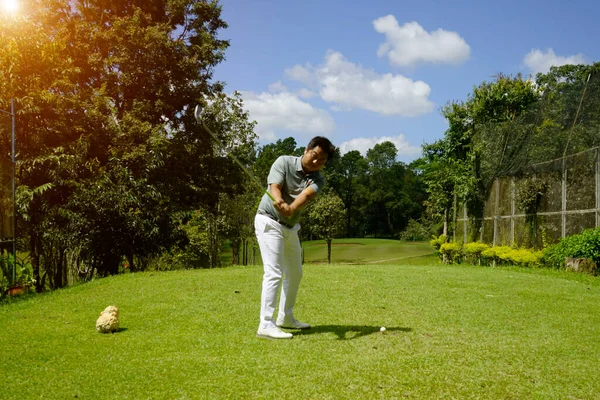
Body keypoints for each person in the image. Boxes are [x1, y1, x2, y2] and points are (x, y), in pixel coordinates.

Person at [254, 136, 335, 339]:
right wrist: (279, 202)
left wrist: (290, 208)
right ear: (306, 150)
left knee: (295, 273)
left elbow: (306, 196)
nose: (317, 162)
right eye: (315, 156)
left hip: (290, 227)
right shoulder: (284, 161)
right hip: (269, 220)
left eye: (322, 160)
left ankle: (285, 317)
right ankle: (265, 324)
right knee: (274, 272)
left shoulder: (318, 179)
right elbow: (275, 186)